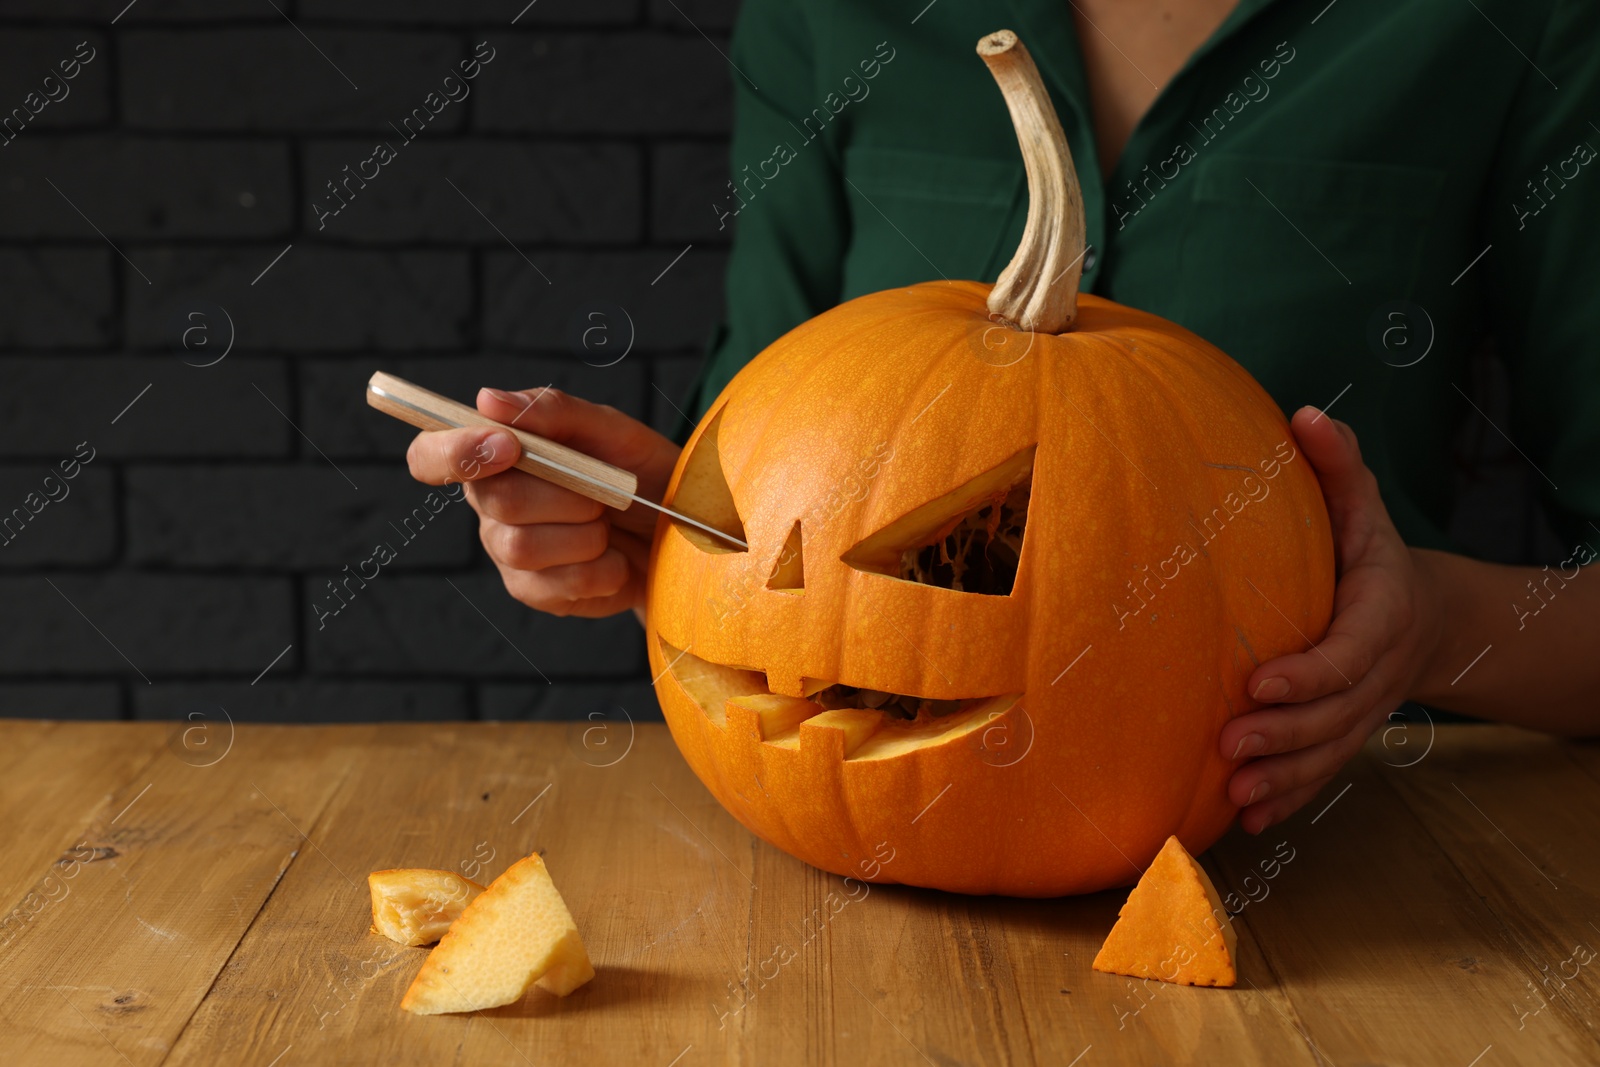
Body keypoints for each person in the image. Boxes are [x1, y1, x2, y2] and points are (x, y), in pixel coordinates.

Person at [406, 0, 1600, 834]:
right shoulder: (830, 14)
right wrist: (649, 532)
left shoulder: (1513, 17)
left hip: (1338, 865)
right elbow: (766, 504)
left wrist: (1428, 627)